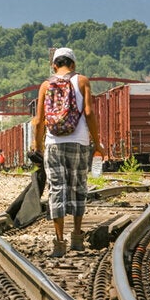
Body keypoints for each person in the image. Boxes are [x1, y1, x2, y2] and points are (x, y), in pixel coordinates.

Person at [31, 47, 101, 257]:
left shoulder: (46, 85)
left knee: (56, 189)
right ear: (73, 65)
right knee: (79, 186)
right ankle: (77, 238)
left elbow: (38, 121)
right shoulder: (82, 81)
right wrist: (97, 142)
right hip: (78, 142)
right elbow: (88, 112)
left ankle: (59, 242)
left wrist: (38, 146)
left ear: (54, 65)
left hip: (53, 143)